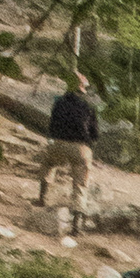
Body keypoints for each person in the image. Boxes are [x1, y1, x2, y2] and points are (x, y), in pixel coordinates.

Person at [36, 79, 99, 231]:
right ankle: (76, 224)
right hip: (80, 148)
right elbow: (95, 134)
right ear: (83, 90)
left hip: (58, 143)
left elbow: (51, 125)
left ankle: (42, 198)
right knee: (80, 184)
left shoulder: (59, 103)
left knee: (48, 164)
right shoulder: (89, 106)